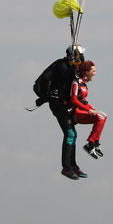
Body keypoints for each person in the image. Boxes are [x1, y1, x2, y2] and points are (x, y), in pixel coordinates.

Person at [38, 45, 85, 180]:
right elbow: (66, 78)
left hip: (63, 104)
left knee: (72, 133)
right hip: (57, 103)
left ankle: (73, 165)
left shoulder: (71, 68)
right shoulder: (62, 66)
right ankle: (66, 168)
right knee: (70, 133)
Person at [70, 60, 106, 160]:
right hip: (74, 112)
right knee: (99, 117)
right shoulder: (76, 82)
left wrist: (90, 107)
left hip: (82, 110)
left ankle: (95, 143)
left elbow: (83, 100)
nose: (95, 73)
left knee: (103, 116)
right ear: (86, 72)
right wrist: (88, 110)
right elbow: (73, 99)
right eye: (93, 71)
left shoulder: (84, 84)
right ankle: (90, 144)